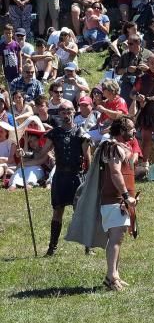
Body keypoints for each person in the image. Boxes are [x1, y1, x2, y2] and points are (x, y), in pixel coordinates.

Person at [67, 117, 138, 291]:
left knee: (118, 238)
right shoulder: (113, 147)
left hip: (121, 199)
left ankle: (114, 275)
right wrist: (125, 195)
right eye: (131, 129)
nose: (134, 131)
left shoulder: (120, 147)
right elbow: (115, 173)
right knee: (115, 238)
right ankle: (111, 277)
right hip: (115, 199)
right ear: (122, 131)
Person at [43, 101, 91, 256]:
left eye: (69, 111)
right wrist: (25, 155)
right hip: (60, 177)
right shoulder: (54, 133)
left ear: (73, 112)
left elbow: (88, 159)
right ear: (59, 114)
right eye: (63, 111)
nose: (66, 114)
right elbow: (42, 153)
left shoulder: (81, 133)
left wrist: (87, 178)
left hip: (77, 176)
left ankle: (87, 247)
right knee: (58, 211)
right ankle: (52, 247)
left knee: (81, 212)